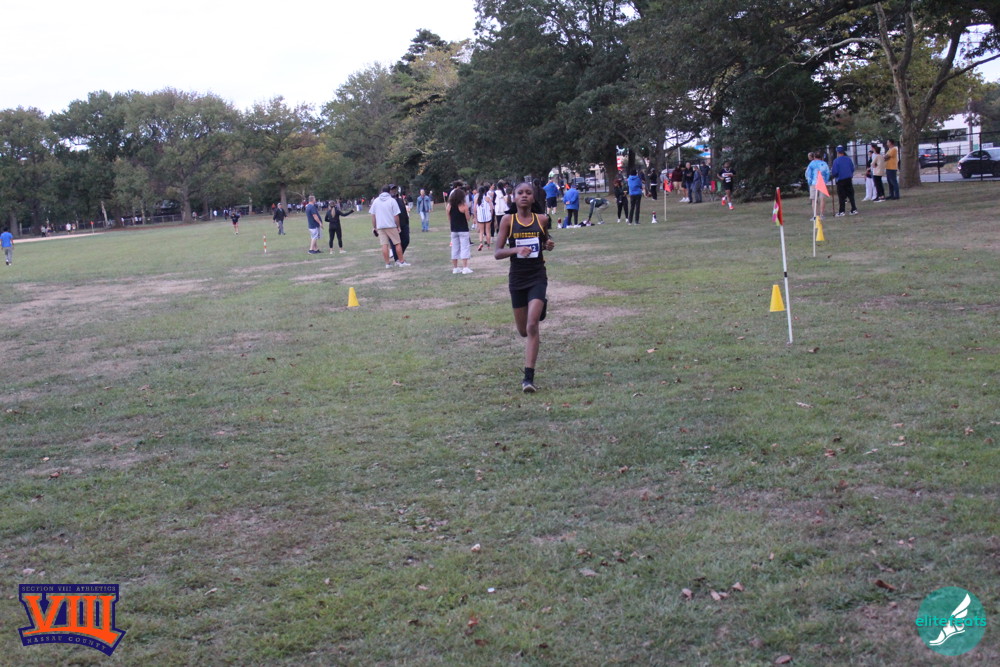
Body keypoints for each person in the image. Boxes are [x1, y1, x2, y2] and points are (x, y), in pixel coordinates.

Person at [494, 182, 555, 393]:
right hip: (517, 279)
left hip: (537, 276)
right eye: (520, 193)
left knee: (532, 325)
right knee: (522, 331)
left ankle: (528, 379)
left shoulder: (542, 219)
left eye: (528, 193)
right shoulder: (508, 221)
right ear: (513, 197)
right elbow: (497, 253)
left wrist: (548, 245)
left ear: (533, 198)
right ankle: (539, 307)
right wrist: (516, 250)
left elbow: (545, 241)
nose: (524, 196)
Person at [371, 185, 409, 267]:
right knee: (397, 243)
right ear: (389, 191)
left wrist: (374, 227)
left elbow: (373, 215)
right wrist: (398, 226)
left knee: (384, 245)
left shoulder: (376, 201)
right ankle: (401, 262)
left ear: (382, 191)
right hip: (391, 225)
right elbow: (396, 215)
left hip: (380, 226)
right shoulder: (392, 200)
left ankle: (387, 263)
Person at [446, 186, 473, 274]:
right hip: (463, 229)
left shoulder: (449, 206)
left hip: (454, 230)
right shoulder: (464, 206)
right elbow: (468, 218)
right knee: (465, 248)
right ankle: (465, 267)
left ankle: (455, 268)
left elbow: (449, 218)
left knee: (455, 248)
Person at [831, 145, 858, 217]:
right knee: (851, 195)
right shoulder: (848, 159)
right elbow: (852, 169)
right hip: (848, 179)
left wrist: (834, 175)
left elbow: (835, 172)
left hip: (840, 180)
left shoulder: (836, 161)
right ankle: (854, 209)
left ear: (837, 152)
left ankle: (842, 211)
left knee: (841, 196)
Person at [805, 151, 832, 219]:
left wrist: (809, 182)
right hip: (822, 183)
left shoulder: (812, 163)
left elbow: (808, 173)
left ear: (814, 157)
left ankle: (815, 215)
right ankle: (822, 214)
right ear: (821, 157)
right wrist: (825, 181)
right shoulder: (824, 164)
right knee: (822, 199)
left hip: (814, 183)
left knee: (814, 199)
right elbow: (827, 173)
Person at [388, 185, 411, 262]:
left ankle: (399, 256)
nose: (393, 190)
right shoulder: (389, 201)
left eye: (394, 189)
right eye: (392, 189)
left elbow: (404, 211)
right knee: (395, 243)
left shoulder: (400, 200)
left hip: (404, 224)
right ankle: (397, 259)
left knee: (406, 240)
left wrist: (407, 222)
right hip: (393, 225)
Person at [475, 185, 493, 250]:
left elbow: (474, 209)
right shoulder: (487, 198)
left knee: (481, 231)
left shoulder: (476, 199)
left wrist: (475, 217)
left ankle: (480, 243)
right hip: (487, 216)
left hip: (480, 217)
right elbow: (491, 207)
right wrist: (491, 214)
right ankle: (488, 245)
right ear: (484, 191)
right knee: (488, 231)